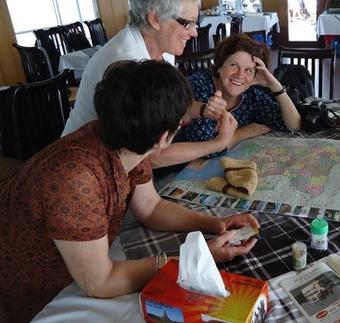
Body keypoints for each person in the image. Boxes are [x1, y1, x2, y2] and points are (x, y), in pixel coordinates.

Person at [0, 60, 259, 322]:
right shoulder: (76, 179)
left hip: (76, 264)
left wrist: (215, 223)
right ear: (163, 138)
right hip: (30, 291)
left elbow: (151, 207)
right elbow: (100, 282)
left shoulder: (126, 137)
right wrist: (195, 260)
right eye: (182, 122)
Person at [62, 0, 235, 168]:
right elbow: (151, 157)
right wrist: (219, 143)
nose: (195, 33)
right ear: (155, 18)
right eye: (187, 24)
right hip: (85, 163)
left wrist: (204, 110)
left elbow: (166, 108)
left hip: (119, 163)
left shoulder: (161, 45)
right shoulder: (126, 64)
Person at [174, 34, 302, 156]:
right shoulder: (199, 87)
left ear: (255, 76)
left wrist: (275, 85)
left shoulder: (251, 95)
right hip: (171, 173)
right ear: (219, 66)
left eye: (248, 70)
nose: (240, 75)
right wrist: (242, 133)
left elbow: (294, 125)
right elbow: (206, 150)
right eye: (234, 65)